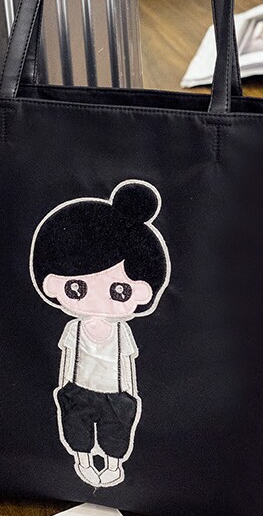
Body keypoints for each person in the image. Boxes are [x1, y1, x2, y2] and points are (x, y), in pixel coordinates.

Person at [30, 180, 171, 487]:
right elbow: (68, 360)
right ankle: (82, 460)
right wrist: (65, 388)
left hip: (115, 392)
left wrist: (129, 395)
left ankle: (112, 465)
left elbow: (127, 364)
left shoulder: (121, 332)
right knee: (76, 428)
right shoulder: (74, 327)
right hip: (78, 387)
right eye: (76, 287)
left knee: (115, 431)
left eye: (120, 291)